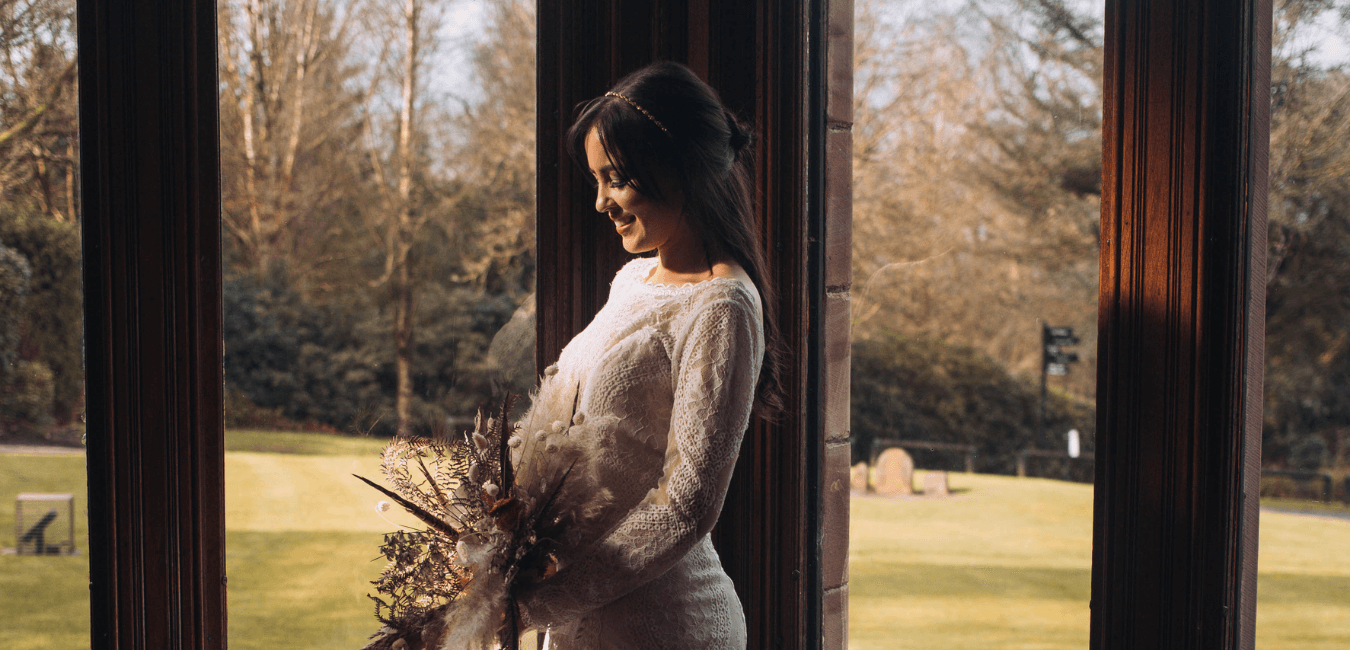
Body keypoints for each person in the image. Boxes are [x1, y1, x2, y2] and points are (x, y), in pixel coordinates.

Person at [514, 61, 783, 650]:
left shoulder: (723, 305)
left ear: (678, 165)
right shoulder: (632, 281)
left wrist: (529, 605)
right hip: (574, 623)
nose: (600, 202)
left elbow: (685, 509)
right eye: (595, 180)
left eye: (615, 178)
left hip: (664, 628)